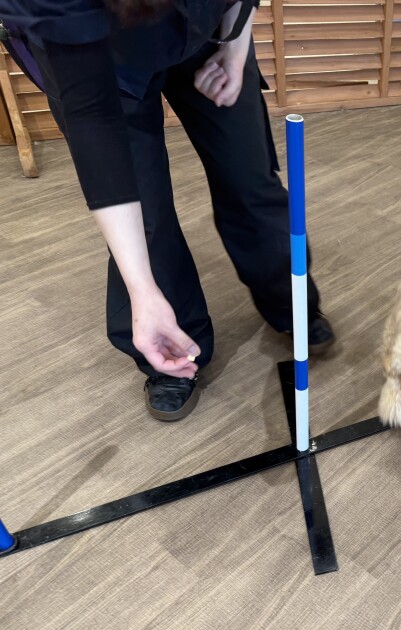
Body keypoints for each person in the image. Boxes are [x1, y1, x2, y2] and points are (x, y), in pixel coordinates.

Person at [0, 0, 334, 421]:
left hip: (208, 31)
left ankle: (290, 303)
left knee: (250, 181)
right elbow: (93, 122)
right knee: (145, 215)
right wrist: (142, 290)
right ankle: (172, 343)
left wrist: (233, 44)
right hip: (102, 60)